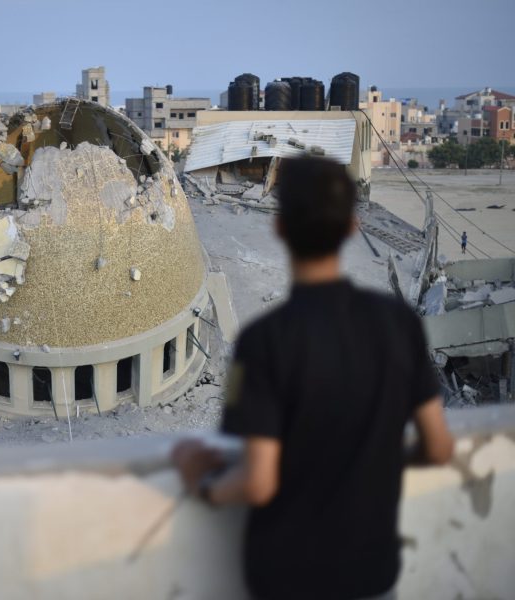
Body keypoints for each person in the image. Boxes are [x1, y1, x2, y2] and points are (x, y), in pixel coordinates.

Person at [173, 156, 454, 600]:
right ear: (351, 227)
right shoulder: (398, 323)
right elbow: (438, 447)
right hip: (371, 574)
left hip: (287, 577)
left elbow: (257, 480)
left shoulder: (263, 342)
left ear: (280, 229)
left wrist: (201, 485)